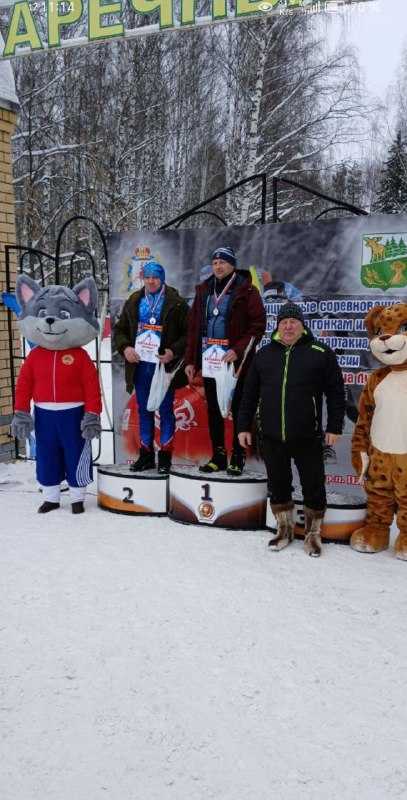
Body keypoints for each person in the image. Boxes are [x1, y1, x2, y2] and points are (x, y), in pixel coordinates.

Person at [237, 302, 345, 557]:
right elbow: (249, 394)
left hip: (308, 434)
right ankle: (283, 530)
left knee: (313, 485)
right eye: (284, 321)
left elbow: (336, 393)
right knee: (278, 483)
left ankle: (313, 534)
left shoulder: (320, 352)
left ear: (302, 324)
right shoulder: (264, 355)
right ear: (278, 325)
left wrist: (334, 426)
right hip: (272, 435)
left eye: (293, 321)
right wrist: (243, 426)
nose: (288, 326)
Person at [185, 246, 266, 475]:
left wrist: (238, 350)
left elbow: (258, 326)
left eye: (223, 262)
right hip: (211, 360)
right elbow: (193, 328)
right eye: (215, 263)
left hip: (235, 363)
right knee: (213, 409)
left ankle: (238, 456)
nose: (218, 266)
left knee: (239, 408)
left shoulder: (247, 290)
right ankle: (218, 455)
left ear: (232, 265)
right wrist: (191, 360)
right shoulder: (204, 290)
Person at [114, 261, 189, 474]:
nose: (151, 281)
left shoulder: (176, 302)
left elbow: (189, 335)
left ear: (162, 278)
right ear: (142, 278)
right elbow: (119, 330)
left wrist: (173, 352)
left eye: (155, 277)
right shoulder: (134, 300)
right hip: (140, 366)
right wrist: (126, 347)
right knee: (144, 410)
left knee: (165, 410)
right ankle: (146, 455)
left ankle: (165, 457)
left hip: (163, 367)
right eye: (147, 277)